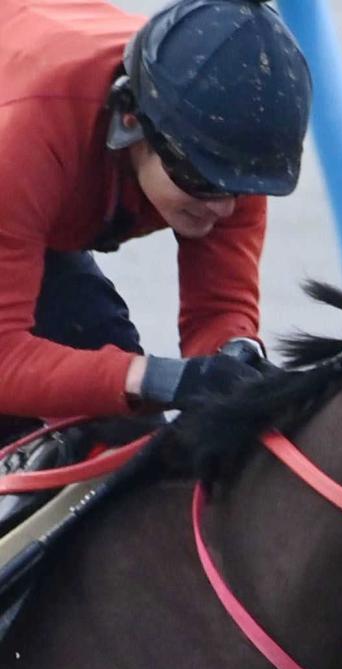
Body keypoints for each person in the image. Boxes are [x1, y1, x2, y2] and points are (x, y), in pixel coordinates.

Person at [0, 0, 312, 445]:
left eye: (242, 189)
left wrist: (235, 360)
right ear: (131, 120)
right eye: (203, 180)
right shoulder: (26, 147)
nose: (225, 209)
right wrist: (158, 379)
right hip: (20, 134)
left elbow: (218, 312)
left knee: (123, 427)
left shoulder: (229, 155)